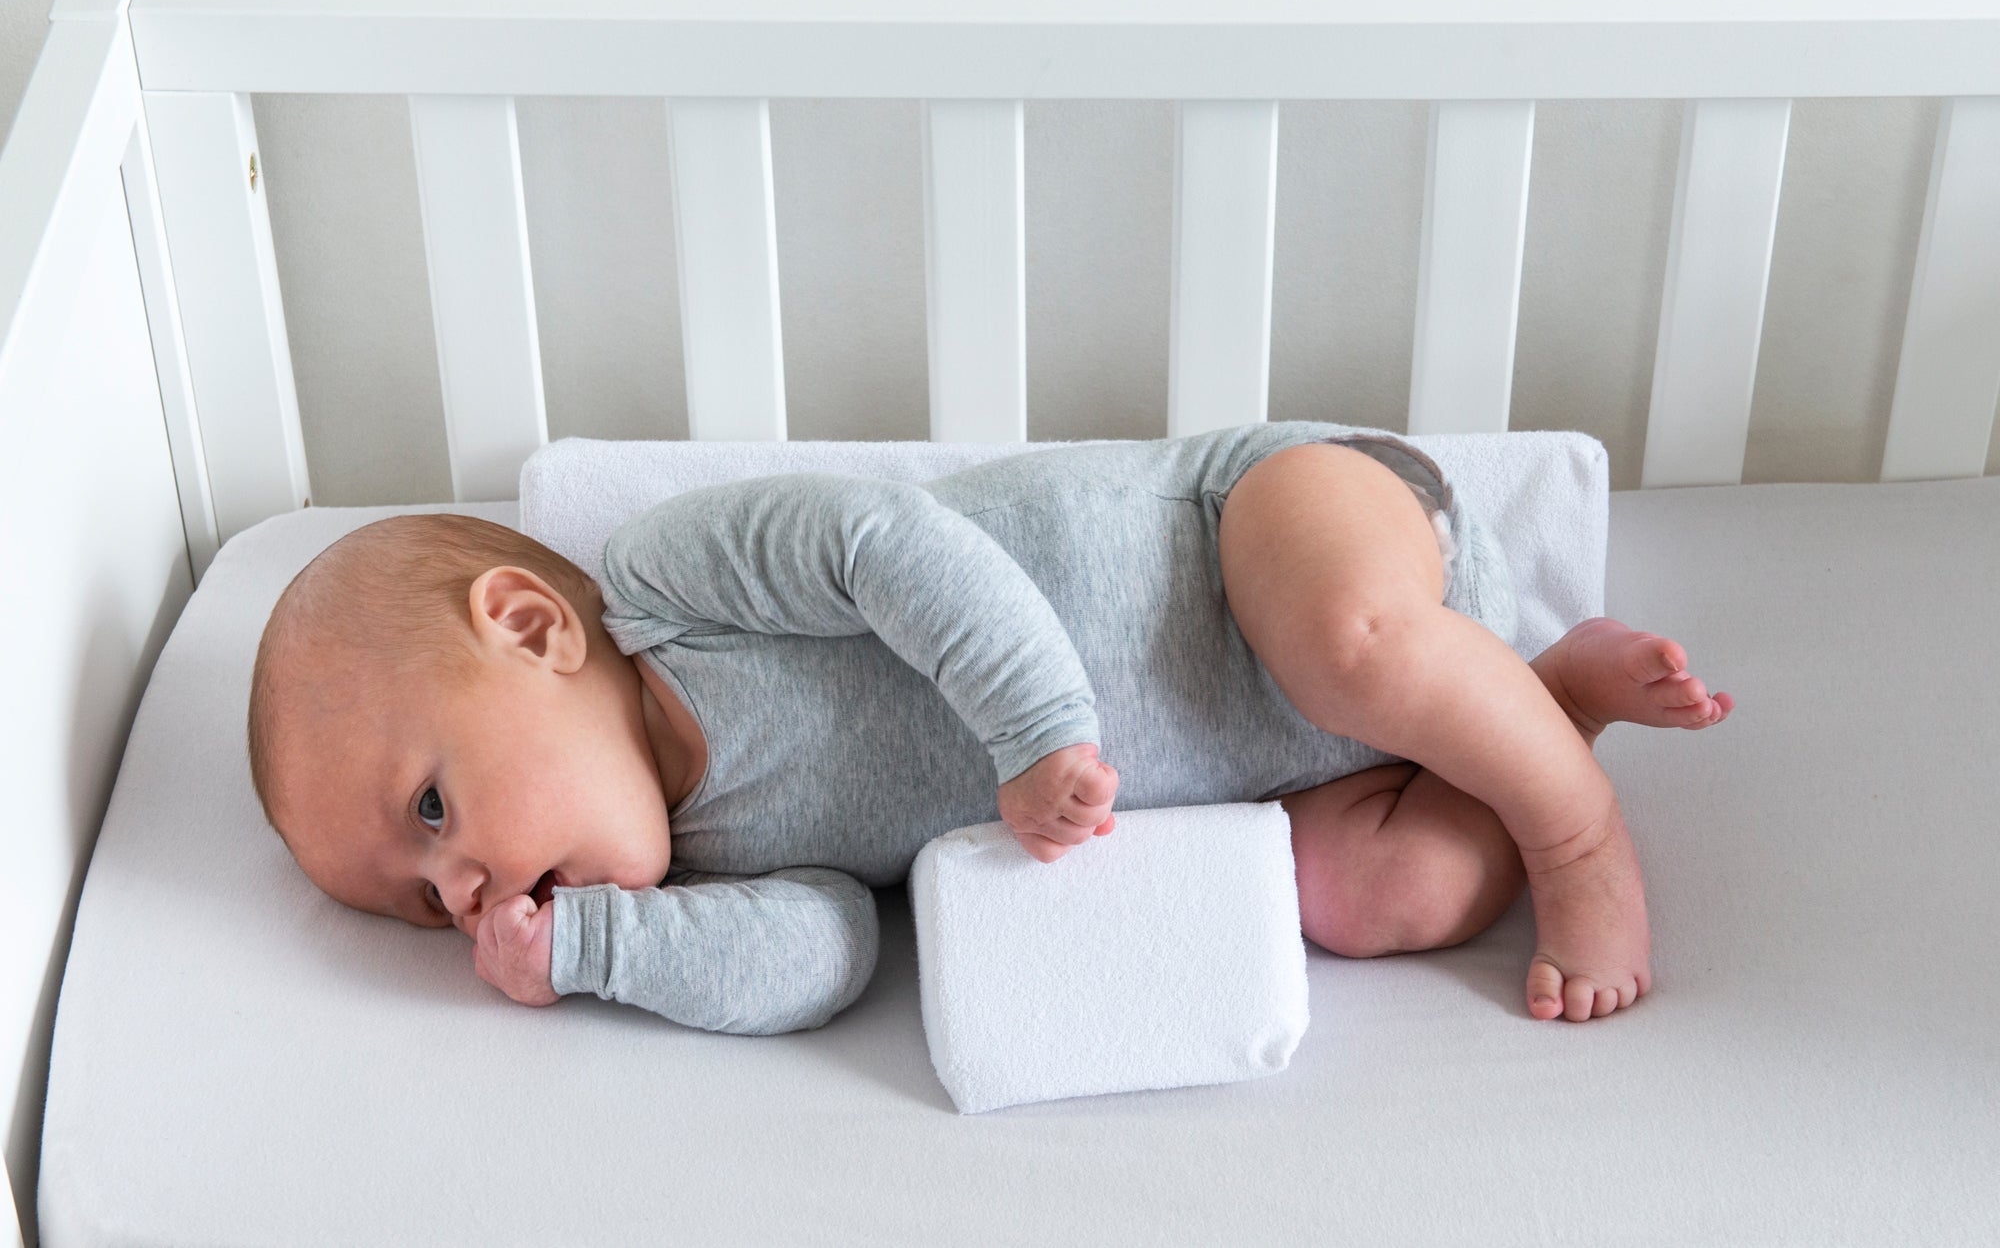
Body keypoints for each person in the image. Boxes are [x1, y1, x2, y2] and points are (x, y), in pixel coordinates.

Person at [247, 420, 1732, 1033]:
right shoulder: (705, 874)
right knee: (1370, 894)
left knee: (1353, 643)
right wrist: (599, 951)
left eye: (430, 810)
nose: (455, 892)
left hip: (1259, 532)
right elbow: (830, 956)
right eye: (417, 898)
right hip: (1295, 766)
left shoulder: (664, 591)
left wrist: (1034, 731)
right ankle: (1553, 703)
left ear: (526, 627)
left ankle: (1576, 831)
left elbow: (888, 546)